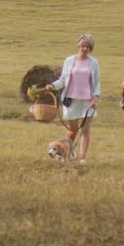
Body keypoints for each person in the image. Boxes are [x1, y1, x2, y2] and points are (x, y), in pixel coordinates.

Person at [43, 33, 100, 164]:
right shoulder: (69, 60)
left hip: (88, 101)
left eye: (88, 47)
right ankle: (62, 151)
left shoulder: (94, 63)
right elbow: (63, 79)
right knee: (73, 130)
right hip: (71, 100)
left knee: (85, 130)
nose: (85, 49)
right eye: (83, 46)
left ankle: (82, 158)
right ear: (79, 46)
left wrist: (95, 98)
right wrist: (52, 86)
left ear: (91, 49)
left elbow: (96, 82)